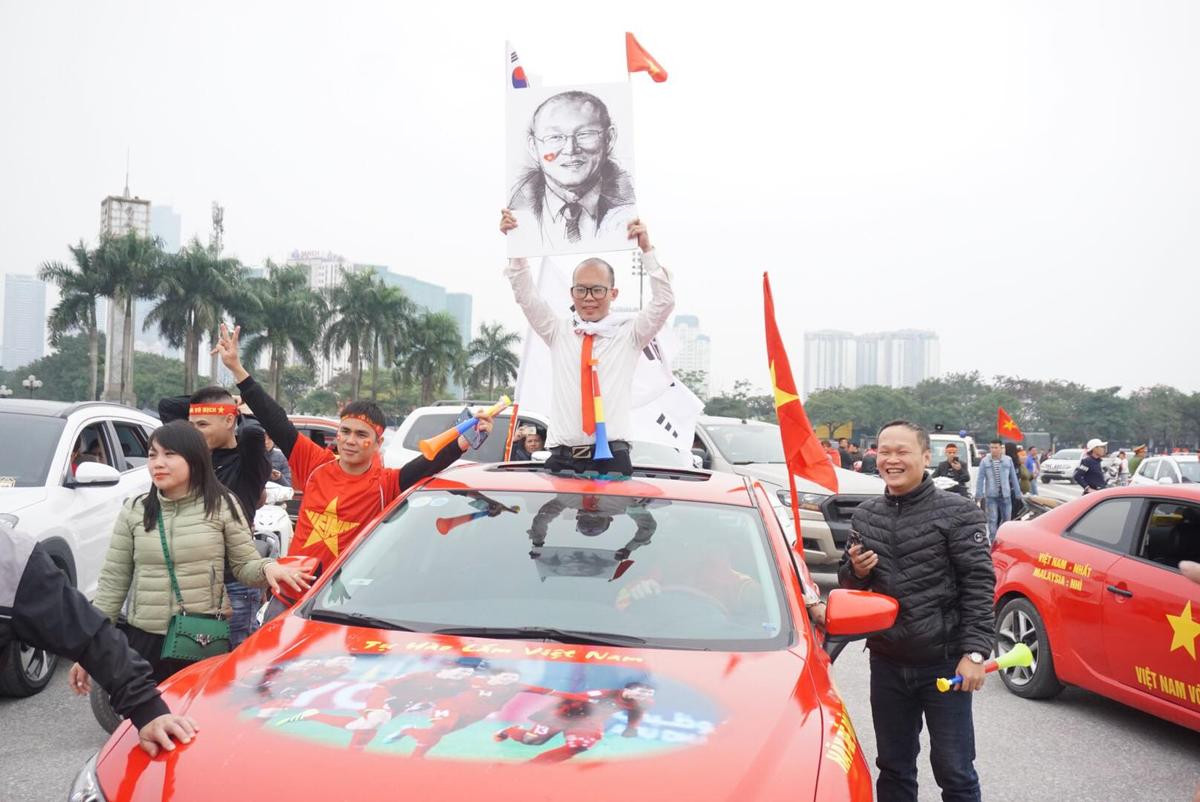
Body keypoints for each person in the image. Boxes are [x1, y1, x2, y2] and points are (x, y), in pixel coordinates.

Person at [213, 324, 493, 579]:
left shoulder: (386, 484)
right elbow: (275, 420)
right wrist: (238, 369)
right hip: (291, 594)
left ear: (377, 443)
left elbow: (428, 463)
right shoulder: (314, 463)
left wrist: (467, 439)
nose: (350, 440)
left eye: (361, 435)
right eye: (345, 432)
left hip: (343, 602)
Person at [77, 421, 311, 690]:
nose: (158, 463)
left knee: (196, 719)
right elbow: (113, 582)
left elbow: (244, 565)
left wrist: (269, 569)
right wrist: (90, 649)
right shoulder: (136, 509)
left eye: (169, 454)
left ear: (194, 458)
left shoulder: (222, 504)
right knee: (147, 722)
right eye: (153, 455)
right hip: (143, 639)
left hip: (200, 637)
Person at [839, 420, 993, 802]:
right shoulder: (866, 515)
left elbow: (978, 584)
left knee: (955, 771)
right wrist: (855, 572)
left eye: (902, 451)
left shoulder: (959, 512)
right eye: (884, 451)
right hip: (887, 661)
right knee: (893, 767)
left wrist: (975, 653)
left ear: (926, 457)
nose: (892, 459)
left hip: (944, 664)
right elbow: (852, 587)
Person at [500, 211, 673, 475]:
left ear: (613, 293)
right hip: (562, 459)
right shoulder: (557, 330)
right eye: (581, 289)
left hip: (611, 457)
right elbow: (526, 296)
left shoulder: (630, 333)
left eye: (597, 290)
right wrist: (517, 245)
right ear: (572, 293)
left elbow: (664, 302)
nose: (588, 297)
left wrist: (646, 250)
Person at [1, 525, 198, 756]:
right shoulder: (137, 511)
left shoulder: (10, 557)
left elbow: (82, 628)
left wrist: (148, 708)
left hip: (190, 626)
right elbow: (114, 579)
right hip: (145, 623)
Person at [159, 386, 272, 647]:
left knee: (231, 663)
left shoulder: (248, 462)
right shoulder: (196, 459)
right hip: (191, 581)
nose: (195, 432)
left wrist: (238, 410)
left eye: (203, 425)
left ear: (230, 421)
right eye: (192, 425)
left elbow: (253, 431)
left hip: (234, 584)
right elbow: (167, 404)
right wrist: (225, 404)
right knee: (193, 659)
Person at [508, 90, 636, 251]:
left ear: (609, 139)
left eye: (585, 134)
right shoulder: (517, 214)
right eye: (554, 137)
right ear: (533, 147)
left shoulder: (631, 210)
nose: (570, 149)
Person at [975, 439, 1022, 542]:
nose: (994, 450)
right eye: (992, 447)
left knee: (1007, 521)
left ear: (1001, 448)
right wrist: (978, 495)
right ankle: (993, 542)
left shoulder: (1008, 460)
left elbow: (1013, 477)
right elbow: (980, 478)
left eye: (996, 447)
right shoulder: (985, 461)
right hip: (991, 496)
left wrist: (1018, 493)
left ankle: (1005, 540)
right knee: (992, 520)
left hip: (1006, 495)